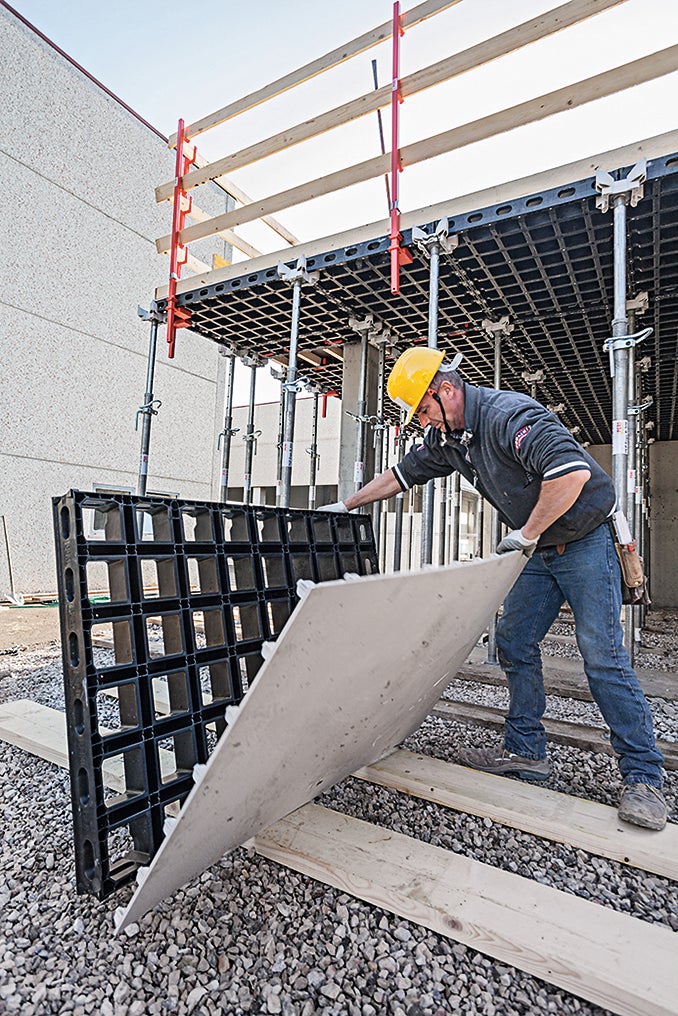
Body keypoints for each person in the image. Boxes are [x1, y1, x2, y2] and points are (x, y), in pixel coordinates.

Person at [321, 347, 666, 830]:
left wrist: (524, 535)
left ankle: (644, 778)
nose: (425, 421)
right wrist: (345, 504)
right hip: (541, 550)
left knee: (602, 656)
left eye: (423, 409)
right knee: (514, 641)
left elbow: (572, 475)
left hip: (586, 542)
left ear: (445, 390)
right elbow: (402, 475)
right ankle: (526, 751)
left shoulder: (511, 416)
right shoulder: (451, 437)